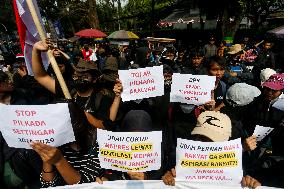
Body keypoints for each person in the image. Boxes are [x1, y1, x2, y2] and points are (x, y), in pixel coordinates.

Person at [32, 39, 122, 130]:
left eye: (84, 76)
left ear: (94, 79)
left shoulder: (101, 97)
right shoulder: (67, 90)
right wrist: (35, 50)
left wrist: (82, 115)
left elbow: (105, 126)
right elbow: (40, 76)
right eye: (76, 76)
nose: (79, 79)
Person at [162, 111, 261, 189]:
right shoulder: (177, 159)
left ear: (226, 140)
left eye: (213, 140)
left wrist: (249, 183)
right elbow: (159, 179)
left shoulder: (234, 166)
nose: (206, 143)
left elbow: (240, 181)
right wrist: (168, 177)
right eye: (202, 137)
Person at [31, 102, 102, 187]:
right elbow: (47, 185)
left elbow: (85, 185)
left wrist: (59, 160)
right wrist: (47, 157)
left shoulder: (98, 141)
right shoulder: (57, 143)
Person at [243, 73, 284, 187]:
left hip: (272, 145)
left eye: (274, 91)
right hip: (252, 140)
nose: (269, 92)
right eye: (267, 89)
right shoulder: (255, 102)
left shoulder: (282, 107)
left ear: (281, 91)